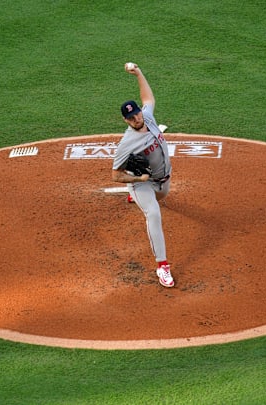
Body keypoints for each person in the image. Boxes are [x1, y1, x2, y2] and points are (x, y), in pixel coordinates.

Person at [111, 62, 175, 288]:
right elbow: (116, 176)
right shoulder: (126, 144)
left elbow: (149, 99)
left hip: (163, 180)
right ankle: (163, 266)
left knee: (162, 196)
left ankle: (140, 198)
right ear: (126, 121)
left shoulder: (147, 116)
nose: (136, 119)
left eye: (136, 114)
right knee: (154, 214)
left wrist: (138, 73)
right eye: (131, 118)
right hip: (142, 184)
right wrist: (137, 180)